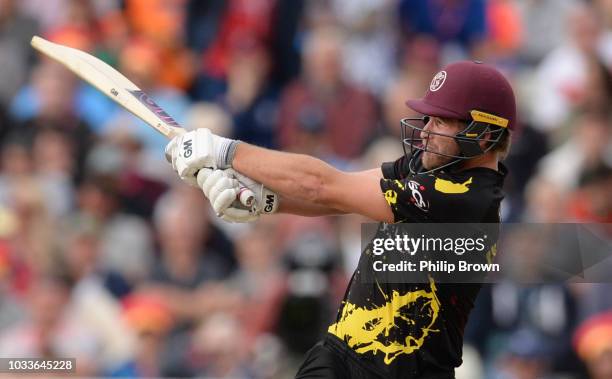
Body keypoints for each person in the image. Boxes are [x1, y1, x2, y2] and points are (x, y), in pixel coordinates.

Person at [165, 60, 516, 378]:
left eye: (440, 121)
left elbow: (324, 185)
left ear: (482, 134)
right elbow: (343, 195)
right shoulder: (432, 167)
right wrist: (265, 200)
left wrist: (226, 151)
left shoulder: (467, 198)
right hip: (341, 354)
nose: (425, 131)